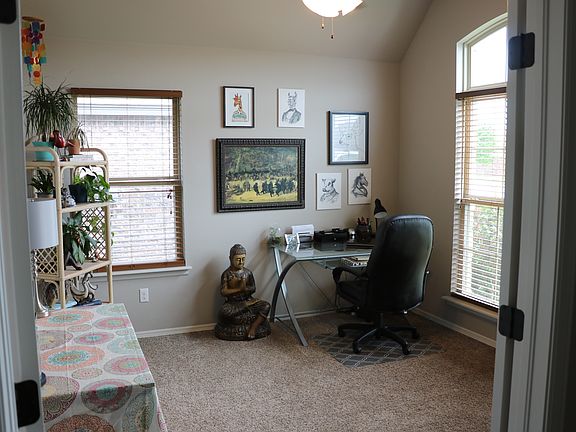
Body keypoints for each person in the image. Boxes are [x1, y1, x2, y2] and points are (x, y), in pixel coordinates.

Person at [215, 244, 271, 340]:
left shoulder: (248, 273)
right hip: (233, 303)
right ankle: (245, 307)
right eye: (238, 259)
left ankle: (253, 327)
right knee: (224, 311)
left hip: (248, 300)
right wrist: (239, 289)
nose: (241, 262)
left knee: (266, 305)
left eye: (243, 259)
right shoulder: (227, 274)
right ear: (230, 258)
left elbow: (253, 288)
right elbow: (223, 292)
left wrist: (246, 289)